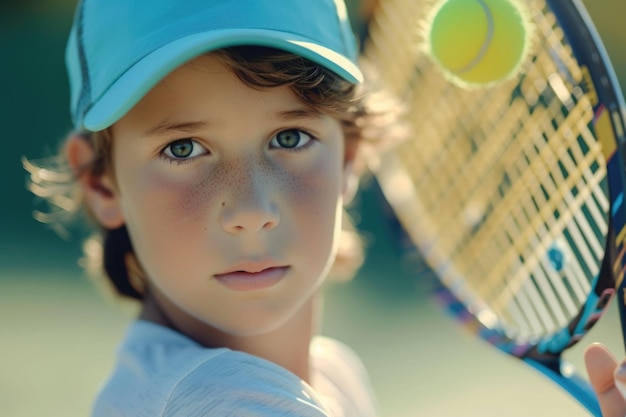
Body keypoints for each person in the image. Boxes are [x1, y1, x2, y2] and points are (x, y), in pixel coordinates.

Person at [23, 0, 626, 416]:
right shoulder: (218, 399)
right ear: (100, 181)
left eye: (289, 139)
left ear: (349, 156)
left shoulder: (329, 374)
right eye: (184, 148)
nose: (251, 210)